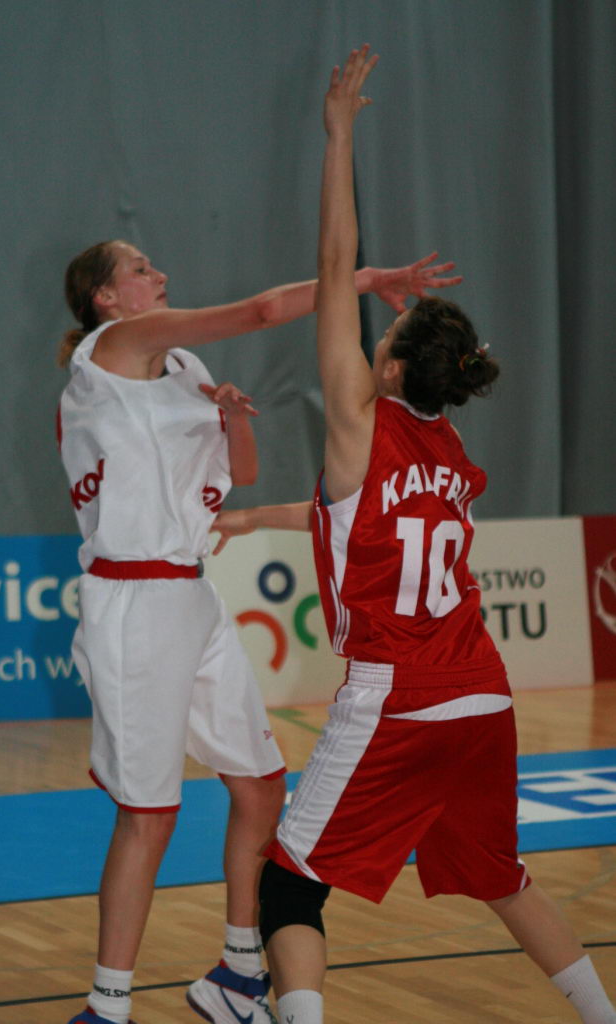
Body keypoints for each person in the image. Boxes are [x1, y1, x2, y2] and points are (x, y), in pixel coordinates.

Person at [210, 47, 616, 1024]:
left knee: (288, 887)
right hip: (482, 692)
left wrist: (338, 137)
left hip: (396, 695)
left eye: (382, 337)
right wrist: (255, 517)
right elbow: (353, 519)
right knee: (503, 877)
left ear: (386, 370)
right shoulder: (451, 445)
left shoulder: (360, 423)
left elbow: (331, 269)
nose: (369, 339)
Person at [56, 234, 460, 1024]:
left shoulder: (182, 368)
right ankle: (108, 1007)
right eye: (139, 268)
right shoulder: (116, 346)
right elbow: (264, 311)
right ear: (105, 298)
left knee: (260, 783)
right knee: (149, 815)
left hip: (191, 594)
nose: (159, 272)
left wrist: (233, 422)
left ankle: (237, 973)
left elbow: (238, 476)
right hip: (130, 602)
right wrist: (363, 278)